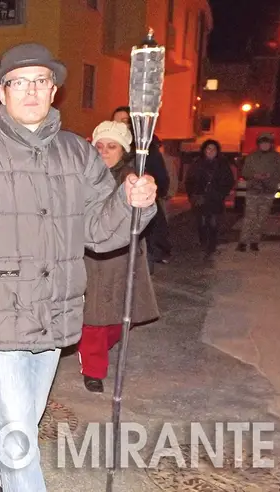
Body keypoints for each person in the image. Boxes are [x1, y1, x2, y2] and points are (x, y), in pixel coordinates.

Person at [0, 43, 157, 492]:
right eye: (19, 82)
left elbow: (100, 233)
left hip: (56, 308)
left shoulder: (78, 154)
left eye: (41, 81)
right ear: (2, 92)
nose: (31, 91)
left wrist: (132, 204)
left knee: (22, 416)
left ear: (54, 90)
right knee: (18, 429)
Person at [79, 121, 159, 393]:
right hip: (91, 257)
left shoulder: (132, 178)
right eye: (99, 146)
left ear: (123, 150)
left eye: (111, 146)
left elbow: (146, 210)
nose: (104, 151)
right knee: (94, 319)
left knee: (120, 317)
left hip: (123, 257)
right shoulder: (83, 175)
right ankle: (93, 369)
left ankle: (98, 349)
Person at [113, 106, 171, 266]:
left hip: (141, 206)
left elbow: (161, 178)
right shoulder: (108, 145)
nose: (120, 125)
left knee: (141, 253)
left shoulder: (145, 148)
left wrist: (147, 190)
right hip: (116, 210)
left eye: (124, 121)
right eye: (116, 121)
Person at [185, 140, 236, 257]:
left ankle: (212, 245)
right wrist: (192, 195)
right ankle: (203, 243)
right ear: (204, 150)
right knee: (201, 222)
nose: (211, 151)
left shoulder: (222, 164)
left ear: (217, 151)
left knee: (213, 223)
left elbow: (229, 181)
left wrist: (221, 193)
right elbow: (190, 181)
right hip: (200, 198)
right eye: (208, 148)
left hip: (215, 199)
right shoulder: (197, 164)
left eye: (214, 149)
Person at [238, 132, 280, 252]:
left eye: (267, 143)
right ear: (259, 144)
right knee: (249, 217)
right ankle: (243, 242)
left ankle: (255, 241)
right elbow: (244, 173)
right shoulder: (252, 157)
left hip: (268, 191)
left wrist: (270, 176)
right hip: (253, 190)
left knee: (261, 218)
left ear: (271, 144)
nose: (265, 145)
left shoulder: (277, 157)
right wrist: (254, 175)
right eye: (262, 143)